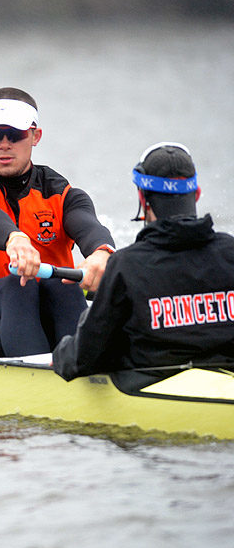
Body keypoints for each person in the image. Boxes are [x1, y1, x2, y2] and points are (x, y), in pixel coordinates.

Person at [0, 87, 115, 358]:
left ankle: (87, 368)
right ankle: (44, 382)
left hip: (40, 325)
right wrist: (15, 238)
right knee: (17, 284)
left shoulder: (61, 194)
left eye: (16, 134)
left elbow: (89, 226)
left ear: (35, 136)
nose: (4, 144)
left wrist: (102, 254)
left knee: (64, 284)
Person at [53, 143, 234, 381]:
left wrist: (60, 354)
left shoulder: (126, 266)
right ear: (196, 193)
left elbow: (82, 359)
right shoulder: (230, 252)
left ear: (142, 196)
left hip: (152, 391)